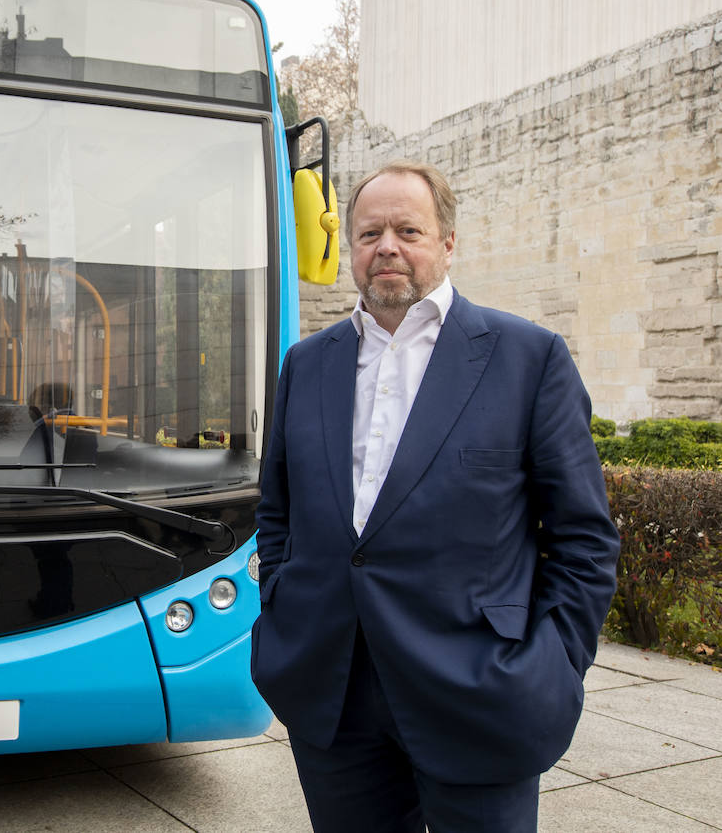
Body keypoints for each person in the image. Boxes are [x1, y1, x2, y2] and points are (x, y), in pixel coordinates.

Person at [250, 160, 619, 832]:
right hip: (331, 695)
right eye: (368, 233)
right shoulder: (308, 364)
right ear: (351, 251)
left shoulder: (527, 358)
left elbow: (584, 537)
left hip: (479, 693)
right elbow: (279, 512)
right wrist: (278, 606)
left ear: (447, 243)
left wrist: (554, 662)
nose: (386, 246)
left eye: (407, 229)